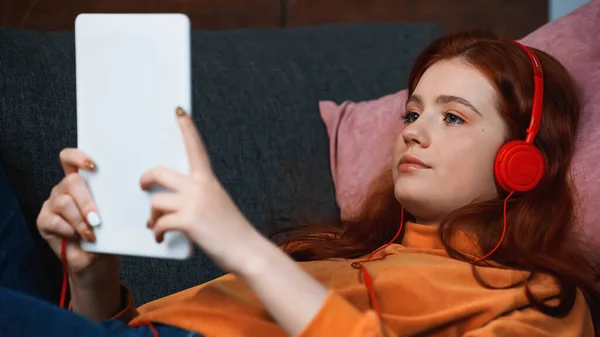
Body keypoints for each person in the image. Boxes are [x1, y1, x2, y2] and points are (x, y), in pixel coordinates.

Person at [0, 30, 599, 337]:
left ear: (520, 160)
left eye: (452, 117)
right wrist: (91, 273)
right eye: (412, 114)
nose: (413, 133)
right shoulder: (345, 253)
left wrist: (239, 243)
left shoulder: (540, 296)